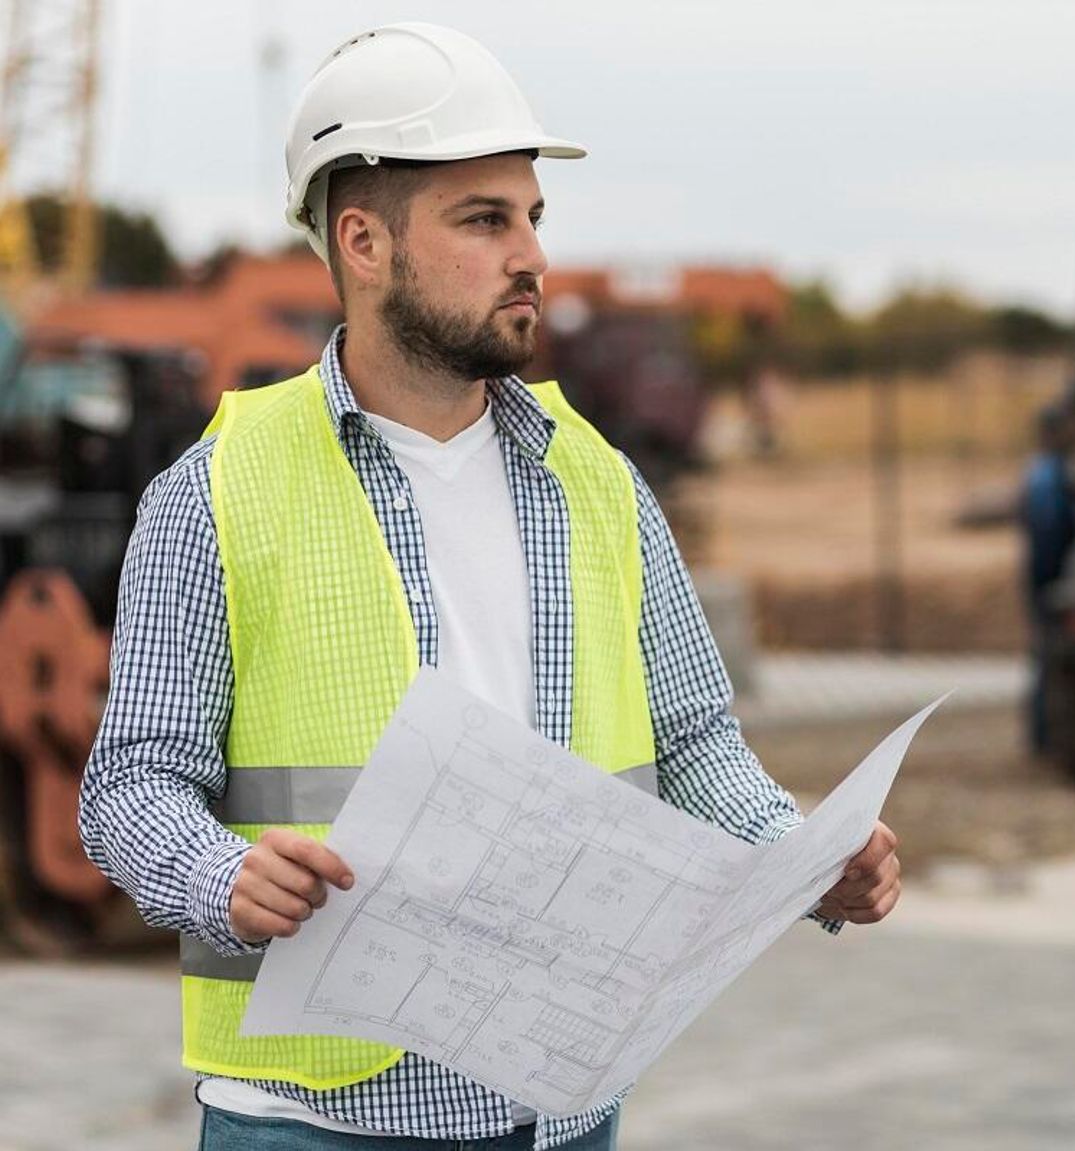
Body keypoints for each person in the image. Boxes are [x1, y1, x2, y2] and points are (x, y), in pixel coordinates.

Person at [78, 23, 901, 1151]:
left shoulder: (600, 482)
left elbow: (696, 742)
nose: (532, 255)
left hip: (558, 1109)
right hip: (315, 1121)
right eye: (484, 219)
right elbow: (128, 786)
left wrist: (802, 859)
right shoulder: (214, 492)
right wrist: (220, 873)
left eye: (533, 217)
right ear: (363, 242)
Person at [1018, 401, 1075, 754]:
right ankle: (1043, 734)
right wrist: (1054, 581)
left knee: (1044, 654)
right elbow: (1048, 530)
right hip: (1049, 578)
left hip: (1044, 577)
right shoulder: (1048, 476)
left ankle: (1042, 732)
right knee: (1047, 655)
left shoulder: (1043, 472)